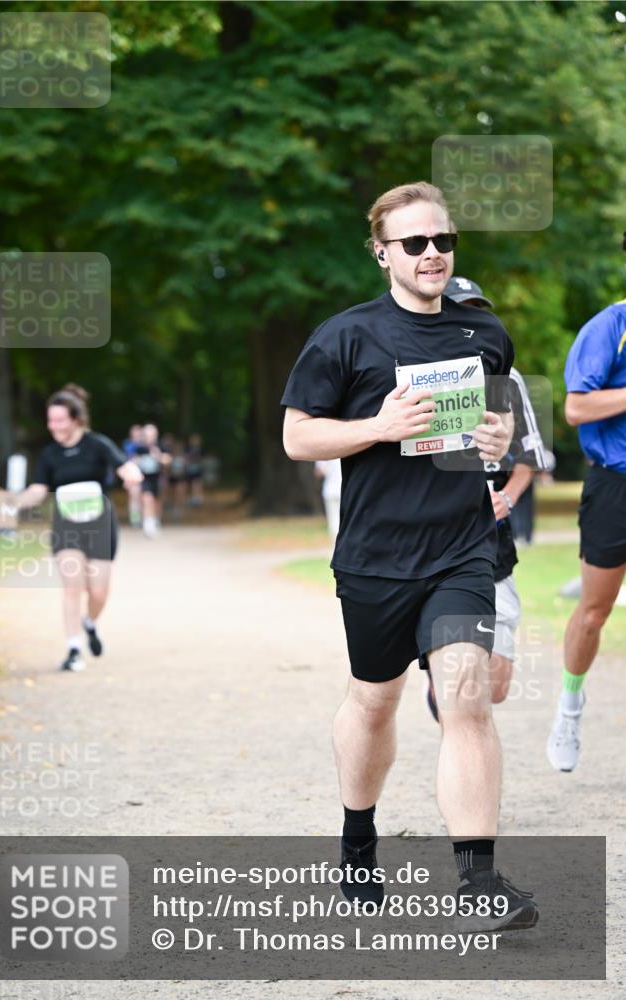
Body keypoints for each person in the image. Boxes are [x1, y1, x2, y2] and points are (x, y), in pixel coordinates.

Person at [281, 182, 537, 931]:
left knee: (464, 697)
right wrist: (377, 425)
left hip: (461, 547)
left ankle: (478, 881)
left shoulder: (482, 334)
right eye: (414, 243)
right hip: (374, 556)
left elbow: (493, 428)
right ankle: (357, 838)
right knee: (374, 700)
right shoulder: (345, 337)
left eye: (442, 241)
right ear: (382, 252)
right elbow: (299, 437)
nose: (432, 254)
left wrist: (494, 441)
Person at [424, 277, 547, 717]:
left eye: (479, 310)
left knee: (494, 686)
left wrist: (508, 499)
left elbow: (530, 457)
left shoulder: (506, 376)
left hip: (493, 535)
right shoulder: (422, 374)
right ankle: (456, 725)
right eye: (463, 309)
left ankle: (449, 701)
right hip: (437, 535)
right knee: (462, 685)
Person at [546, 244, 626, 772]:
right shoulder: (609, 326)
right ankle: (569, 707)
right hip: (615, 484)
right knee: (595, 612)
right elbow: (576, 407)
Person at [6, 384, 142, 672]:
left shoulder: (97, 444)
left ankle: (89, 622)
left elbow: (123, 466)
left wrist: (132, 474)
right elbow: (38, 489)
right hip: (66, 524)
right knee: (72, 588)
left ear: (76, 420)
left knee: (99, 592)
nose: (53, 426)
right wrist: (14, 502)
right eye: (50, 420)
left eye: (59, 420)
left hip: (98, 523)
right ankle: (73, 649)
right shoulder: (49, 454)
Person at [135, 423, 171, 538]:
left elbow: (168, 460)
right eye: (146, 434)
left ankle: (155, 520)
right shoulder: (140, 448)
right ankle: (147, 524)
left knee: (156, 501)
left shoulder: (160, 446)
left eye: (151, 434)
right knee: (147, 499)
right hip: (144, 478)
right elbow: (133, 460)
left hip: (157, 478)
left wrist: (158, 456)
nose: (148, 437)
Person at [314, 459, 342, 543]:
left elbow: (319, 471)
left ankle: (335, 545)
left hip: (331, 490)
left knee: (334, 520)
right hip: (342, 490)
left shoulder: (325, 449)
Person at [122, 425, 145, 527]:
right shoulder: (128, 444)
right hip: (132, 474)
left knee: (142, 497)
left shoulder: (144, 445)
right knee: (134, 496)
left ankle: (143, 517)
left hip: (144, 474)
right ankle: (135, 518)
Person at [184, 433, 204, 507]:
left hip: (197, 469)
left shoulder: (200, 449)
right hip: (189, 470)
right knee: (189, 484)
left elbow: (201, 459)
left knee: (197, 483)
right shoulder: (187, 449)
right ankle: (191, 498)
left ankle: (197, 498)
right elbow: (185, 459)